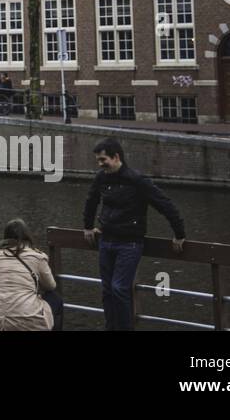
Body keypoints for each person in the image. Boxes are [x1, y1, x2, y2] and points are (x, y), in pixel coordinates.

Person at [82, 138, 186, 331]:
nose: (100, 164)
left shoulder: (136, 180)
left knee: (119, 288)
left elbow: (163, 204)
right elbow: (91, 200)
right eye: (98, 160)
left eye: (103, 159)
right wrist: (88, 226)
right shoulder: (102, 178)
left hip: (129, 243)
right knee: (107, 291)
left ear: (116, 157)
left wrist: (179, 233)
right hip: (106, 240)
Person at [0, 219, 62, 331]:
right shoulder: (38, 257)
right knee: (55, 298)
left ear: (6, 236)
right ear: (27, 235)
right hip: (26, 318)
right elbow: (51, 286)